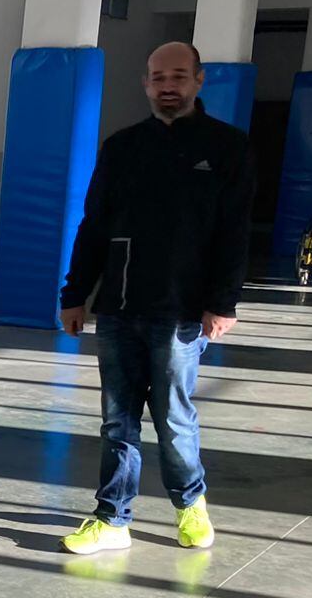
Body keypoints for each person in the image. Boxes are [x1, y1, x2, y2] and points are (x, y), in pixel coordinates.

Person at [59, 42, 254, 556]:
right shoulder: (122, 147)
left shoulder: (228, 147)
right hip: (119, 308)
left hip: (182, 311)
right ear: (146, 83)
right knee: (116, 420)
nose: (168, 85)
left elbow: (235, 233)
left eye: (178, 76)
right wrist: (74, 294)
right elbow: (93, 226)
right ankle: (112, 518)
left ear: (198, 80)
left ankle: (190, 504)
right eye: (158, 77)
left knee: (173, 419)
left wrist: (223, 302)